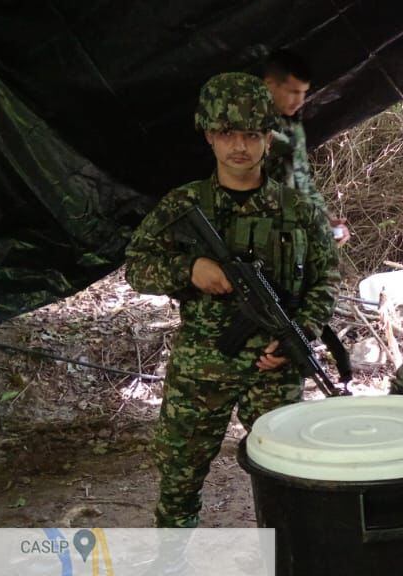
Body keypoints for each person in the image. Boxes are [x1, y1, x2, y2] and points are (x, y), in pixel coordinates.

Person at [125, 72, 341, 528]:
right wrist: (190, 270)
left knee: (287, 481)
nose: (239, 146)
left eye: (250, 135)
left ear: (267, 137)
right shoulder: (185, 205)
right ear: (208, 135)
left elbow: (326, 280)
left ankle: (285, 561)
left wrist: (295, 337)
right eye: (227, 134)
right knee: (180, 481)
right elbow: (137, 266)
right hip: (202, 368)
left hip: (274, 368)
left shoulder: (298, 209)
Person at [261, 49, 350, 244]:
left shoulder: (291, 127)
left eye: (303, 93)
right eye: (293, 92)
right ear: (270, 85)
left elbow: (303, 182)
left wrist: (327, 219)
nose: (300, 101)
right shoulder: (245, 125)